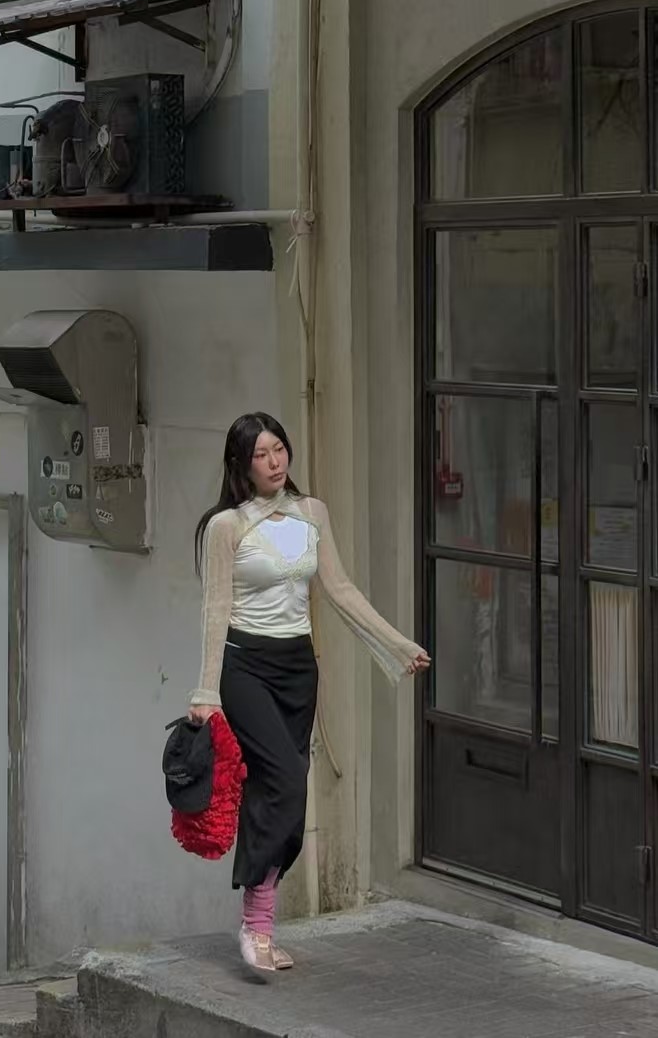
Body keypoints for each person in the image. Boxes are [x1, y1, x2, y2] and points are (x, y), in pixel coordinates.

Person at [189, 412, 430, 974]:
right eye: (261, 454)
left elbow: (340, 589)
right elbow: (215, 609)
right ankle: (255, 925)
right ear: (241, 464)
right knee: (285, 782)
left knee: (288, 797)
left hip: (298, 668)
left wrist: (395, 645)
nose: (275, 462)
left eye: (279, 449)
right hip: (245, 669)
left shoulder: (311, 513)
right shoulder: (226, 526)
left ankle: (261, 923)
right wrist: (206, 690)